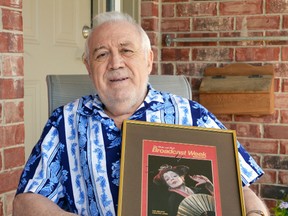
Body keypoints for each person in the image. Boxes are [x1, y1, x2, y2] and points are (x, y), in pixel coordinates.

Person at [13, 11, 269, 216]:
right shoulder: (65, 121)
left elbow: (240, 189)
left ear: (148, 59)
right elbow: (25, 202)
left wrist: (256, 213)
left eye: (126, 50)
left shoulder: (192, 115)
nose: (116, 63)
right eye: (102, 54)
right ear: (89, 68)